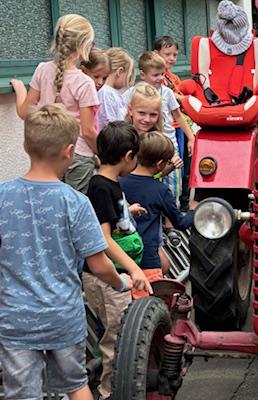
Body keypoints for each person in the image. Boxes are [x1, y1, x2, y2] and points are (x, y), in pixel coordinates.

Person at [0, 104, 132, 400]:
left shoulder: (2, 197)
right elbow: (98, 266)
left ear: (25, 145)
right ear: (69, 151)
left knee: (21, 394)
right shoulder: (75, 203)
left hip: (15, 319)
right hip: (63, 317)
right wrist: (120, 282)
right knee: (75, 385)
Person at [83, 121, 152, 400]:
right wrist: (134, 268)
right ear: (128, 157)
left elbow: (110, 218)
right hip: (108, 278)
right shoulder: (101, 187)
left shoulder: (110, 184)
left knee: (116, 333)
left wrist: (128, 211)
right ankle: (110, 392)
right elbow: (104, 239)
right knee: (117, 338)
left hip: (115, 276)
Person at [10, 14, 100, 194]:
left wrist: (20, 90)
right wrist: (103, 155)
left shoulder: (42, 69)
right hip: (77, 153)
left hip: (48, 151)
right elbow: (88, 131)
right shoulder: (84, 82)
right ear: (84, 45)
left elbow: (24, 112)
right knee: (75, 207)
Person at [123, 51, 194, 201]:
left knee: (171, 187)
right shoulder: (133, 93)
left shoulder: (167, 93)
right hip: (144, 145)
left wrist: (191, 138)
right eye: (156, 75)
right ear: (143, 75)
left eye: (163, 74)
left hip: (167, 145)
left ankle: (170, 213)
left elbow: (178, 116)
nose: (161, 78)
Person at [120, 132, 194, 274]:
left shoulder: (120, 182)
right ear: (160, 164)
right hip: (148, 260)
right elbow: (181, 223)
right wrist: (194, 210)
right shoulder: (160, 190)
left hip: (122, 260)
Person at [154, 35, 194, 211]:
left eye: (175, 55)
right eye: (167, 54)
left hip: (178, 129)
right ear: (156, 54)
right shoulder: (157, 79)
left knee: (181, 167)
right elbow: (179, 99)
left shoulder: (174, 78)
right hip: (165, 132)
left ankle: (181, 204)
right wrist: (185, 98)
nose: (171, 58)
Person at [96, 47, 135, 132]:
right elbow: (112, 127)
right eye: (127, 75)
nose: (126, 82)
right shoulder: (106, 94)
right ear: (120, 72)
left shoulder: (110, 93)